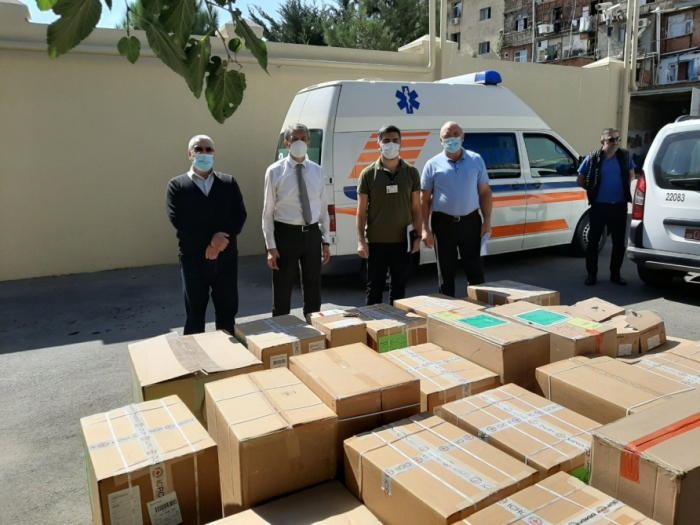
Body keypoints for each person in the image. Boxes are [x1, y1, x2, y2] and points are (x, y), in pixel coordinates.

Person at [166, 135, 247, 335]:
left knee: (227, 312)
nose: (204, 153)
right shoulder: (177, 185)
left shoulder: (228, 182)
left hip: (226, 258)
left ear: (214, 154)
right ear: (190, 154)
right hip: (193, 258)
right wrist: (210, 241)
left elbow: (239, 215)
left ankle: (228, 352)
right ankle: (194, 354)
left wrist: (220, 243)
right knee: (195, 315)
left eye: (208, 149)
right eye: (198, 149)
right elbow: (179, 220)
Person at [262, 123, 331, 317]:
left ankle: (313, 324)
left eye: (303, 139)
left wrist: (325, 240)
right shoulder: (275, 171)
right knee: (282, 287)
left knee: (313, 286)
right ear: (286, 143)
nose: (299, 142)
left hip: (312, 233)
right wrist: (271, 247)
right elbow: (267, 211)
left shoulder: (317, 171)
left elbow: (322, 208)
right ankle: (282, 327)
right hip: (286, 234)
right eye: (294, 139)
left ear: (309, 142)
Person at [420, 121, 492, 297]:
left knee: (475, 272)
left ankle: (479, 309)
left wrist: (487, 221)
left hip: (471, 222)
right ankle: (448, 310)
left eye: (455, 135)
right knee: (446, 274)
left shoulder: (476, 160)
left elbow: (485, 192)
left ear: (462, 137)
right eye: (447, 136)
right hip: (443, 224)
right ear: (441, 140)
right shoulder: (432, 164)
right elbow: (424, 198)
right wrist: (425, 228)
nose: (452, 139)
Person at [357, 125, 421, 305]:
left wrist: (418, 237)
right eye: (386, 141)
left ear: (401, 144)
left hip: (403, 243)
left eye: (395, 140)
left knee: (399, 290)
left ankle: (397, 322)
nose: (390, 144)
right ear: (378, 144)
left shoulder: (411, 172)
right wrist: (361, 241)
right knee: (374, 290)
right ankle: (373, 322)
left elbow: (416, 208)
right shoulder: (368, 174)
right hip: (376, 243)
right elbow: (361, 212)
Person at [577, 127, 636, 286]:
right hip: (599, 206)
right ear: (602, 142)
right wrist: (593, 190)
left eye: (617, 139)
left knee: (618, 243)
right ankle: (591, 275)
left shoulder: (624, 156)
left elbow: (632, 175)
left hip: (619, 206)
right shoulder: (593, 158)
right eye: (611, 140)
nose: (615, 142)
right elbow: (580, 179)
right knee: (593, 241)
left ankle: (615, 274)